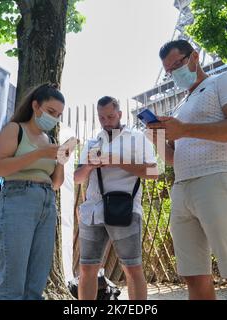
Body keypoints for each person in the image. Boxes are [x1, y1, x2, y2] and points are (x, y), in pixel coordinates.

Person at [147, 40, 227, 300]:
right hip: (182, 190)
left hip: (217, 180)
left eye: (178, 63)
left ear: (195, 57)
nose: (175, 71)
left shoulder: (223, 81)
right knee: (194, 277)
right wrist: (156, 138)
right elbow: (172, 159)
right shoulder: (181, 105)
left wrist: (185, 129)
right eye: (169, 69)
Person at [74, 96, 158, 300]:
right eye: (101, 118)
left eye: (110, 116)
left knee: (132, 268)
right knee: (86, 269)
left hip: (125, 209)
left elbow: (154, 172)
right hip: (92, 211)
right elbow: (77, 178)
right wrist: (91, 165)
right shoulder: (93, 141)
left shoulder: (138, 138)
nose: (106, 121)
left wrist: (118, 161)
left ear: (120, 114)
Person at [0, 83, 66, 300]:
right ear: (35, 105)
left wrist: (61, 159)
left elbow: (57, 183)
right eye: (51, 112)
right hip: (17, 199)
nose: (54, 118)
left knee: (35, 285)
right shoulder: (15, 129)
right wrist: (40, 153)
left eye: (58, 115)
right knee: (12, 286)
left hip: (47, 203)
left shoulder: (51, 140)